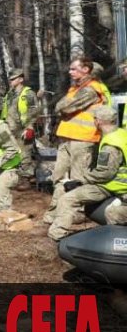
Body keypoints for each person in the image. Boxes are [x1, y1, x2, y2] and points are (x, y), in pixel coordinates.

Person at [45, 57, 112, 224]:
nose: (70, 72)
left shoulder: (91, 90)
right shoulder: (76, 88)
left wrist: (63, 107)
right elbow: (59, 106)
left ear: (86, 70)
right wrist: (62, 107)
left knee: (77, 178)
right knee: (59, 176)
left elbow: (64, 107)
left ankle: (76, 213)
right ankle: (55, 213)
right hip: (68, 138)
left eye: (74, 69)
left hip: (83, 139)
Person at [48, 107, 127, 240]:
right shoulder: (121, 134)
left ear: (98, 122)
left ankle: (56, 236)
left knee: (68, 199)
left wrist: (79, 181)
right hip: (114, 185)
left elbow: (105, 174)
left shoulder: (110, 145)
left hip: (112, 185)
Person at [0, 67, 40, 181]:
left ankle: (27, 178)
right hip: (10, 129)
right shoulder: (10, 94)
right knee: (13, 154)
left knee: (25, 155)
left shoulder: (28, 94)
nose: (11, 81)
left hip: (22, 129)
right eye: (10, 79)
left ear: (20, 79)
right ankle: (17, 178)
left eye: (13, 79)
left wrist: (29, 128)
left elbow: (34, 112)